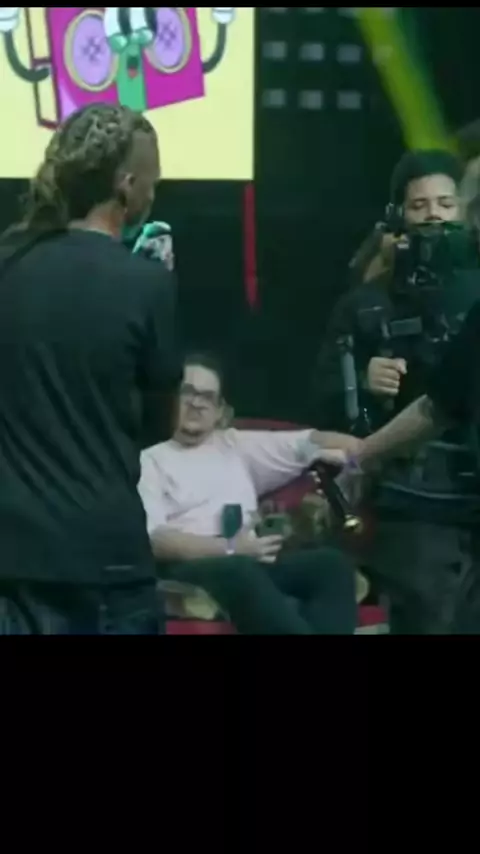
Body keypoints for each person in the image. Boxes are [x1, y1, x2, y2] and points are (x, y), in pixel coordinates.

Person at [0, 104, 181, 635]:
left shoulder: (7, 264)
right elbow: (160, 424)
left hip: (13, 561)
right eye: (153, 181)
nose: (154, 193)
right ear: (127, 185)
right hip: (106, 560)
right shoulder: (146, 283)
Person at [311, 149, 480, 634]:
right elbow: (324, 399)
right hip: (414, 504)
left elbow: (441, 404)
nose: (434, 217)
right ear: (397, 215)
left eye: (446, 204)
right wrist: (364, 382)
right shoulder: (366, 305)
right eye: (419, 205)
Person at [139, 354, 360, 635]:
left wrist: (351, 454)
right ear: (171, 399)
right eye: (188, 392)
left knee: (332, 565)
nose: (196, 403)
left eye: (207, 397)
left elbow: (305, 443)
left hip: (251, 560)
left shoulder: (234, 445)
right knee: (238, 569)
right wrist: (231, 548)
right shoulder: (150, 460)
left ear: (219, 410)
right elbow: (155, 540)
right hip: (194, 566)